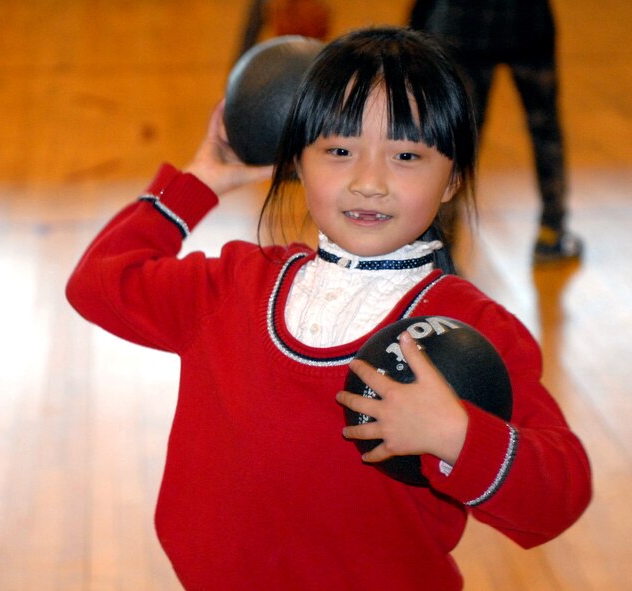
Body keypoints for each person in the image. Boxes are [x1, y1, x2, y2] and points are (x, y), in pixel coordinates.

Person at [66, 27, 591, 590]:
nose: (369, 182)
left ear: (453, 179)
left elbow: (561, 492)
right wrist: (201, 181)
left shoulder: (471, 327)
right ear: (298, 161)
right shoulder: (235, 285)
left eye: (407, 155)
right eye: (339, 151)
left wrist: (458, 436)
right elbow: (99, 283)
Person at [409, 0, 582, 264]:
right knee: (544, 130)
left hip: (460, 27)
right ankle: (552, 231)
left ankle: (440, 251)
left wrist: (418, 21)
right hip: (526, 25)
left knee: (454, 138)